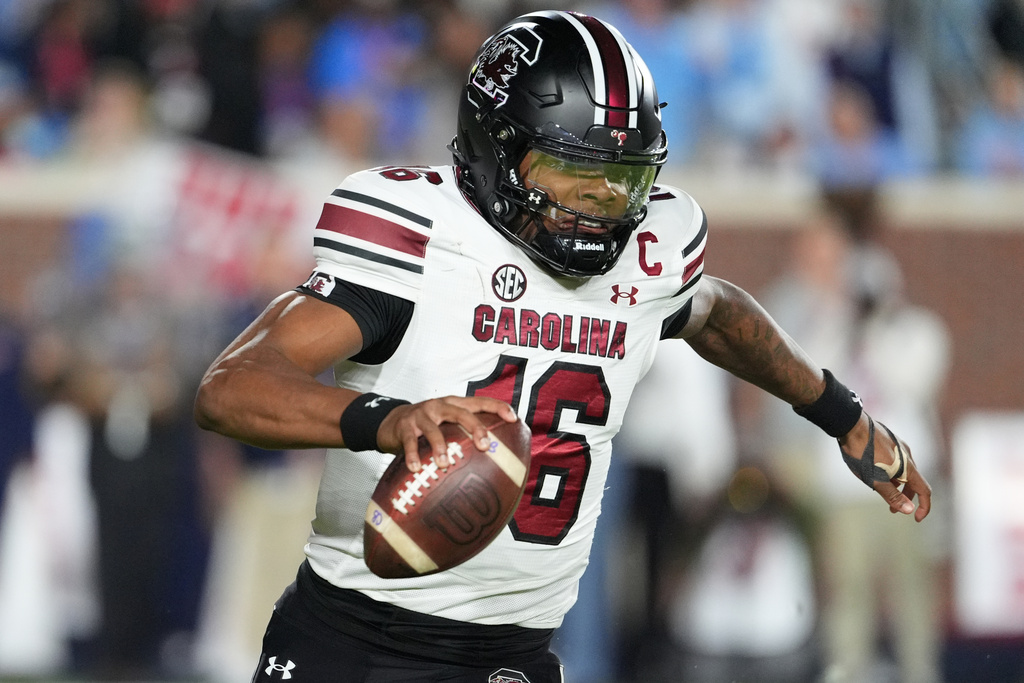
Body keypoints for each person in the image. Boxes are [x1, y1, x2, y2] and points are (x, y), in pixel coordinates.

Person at [193, 10, 932, 682]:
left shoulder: (652, 255)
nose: (599, 205)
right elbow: (231, 387)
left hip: (516, 656)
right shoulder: (422, 236)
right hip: (355, 644)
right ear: (496, 148)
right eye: (574, 173)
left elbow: (719, 313)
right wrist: (382, 420)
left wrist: (843, 414)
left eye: (623, 179)